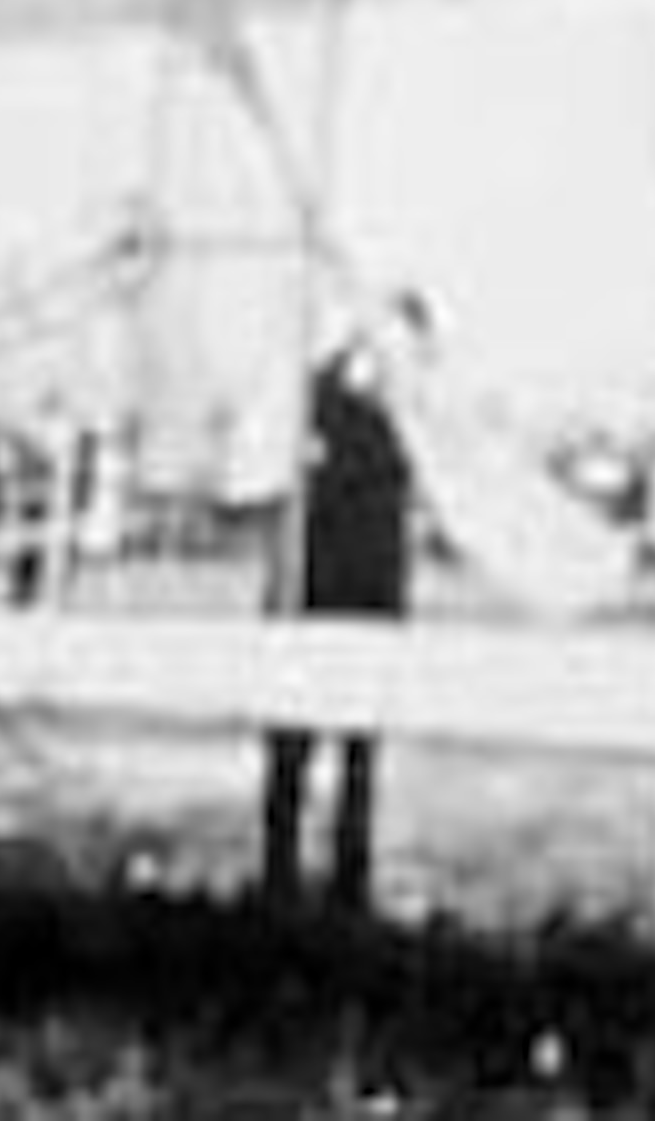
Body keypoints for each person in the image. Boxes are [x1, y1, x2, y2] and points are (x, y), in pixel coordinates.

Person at [262, 293, 428, 916]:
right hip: (314, 595)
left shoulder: (403, 419)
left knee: (358, 755)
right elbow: (313, 394)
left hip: (370, 598)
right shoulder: (332, 403)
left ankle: (346, 881)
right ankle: (282, 874)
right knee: (292, 745)